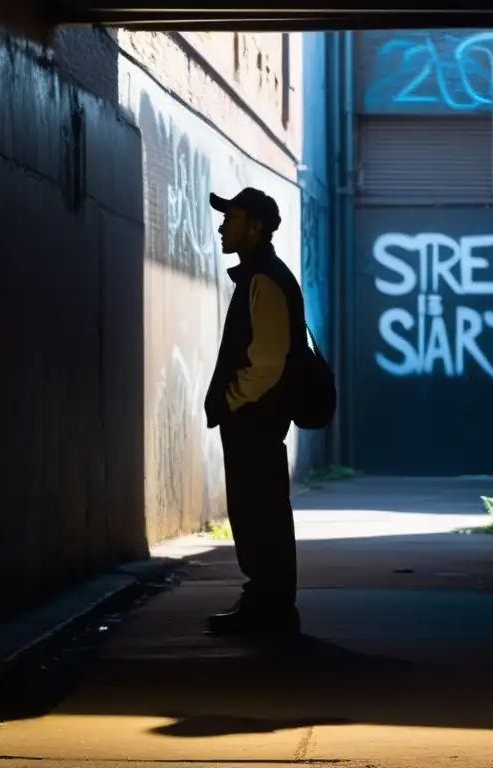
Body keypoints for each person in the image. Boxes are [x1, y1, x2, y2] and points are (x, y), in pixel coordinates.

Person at [203, 187, 306, 638]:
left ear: (256, 227)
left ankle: (270, 607)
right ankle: (266, 602)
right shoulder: (260, 276)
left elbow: (267, 361)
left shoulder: (264, 279)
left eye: (234, 219)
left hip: (255, 416)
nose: (224, 226)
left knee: (259, 509)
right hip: (256, 414)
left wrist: (231, 399)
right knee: (260, 509)